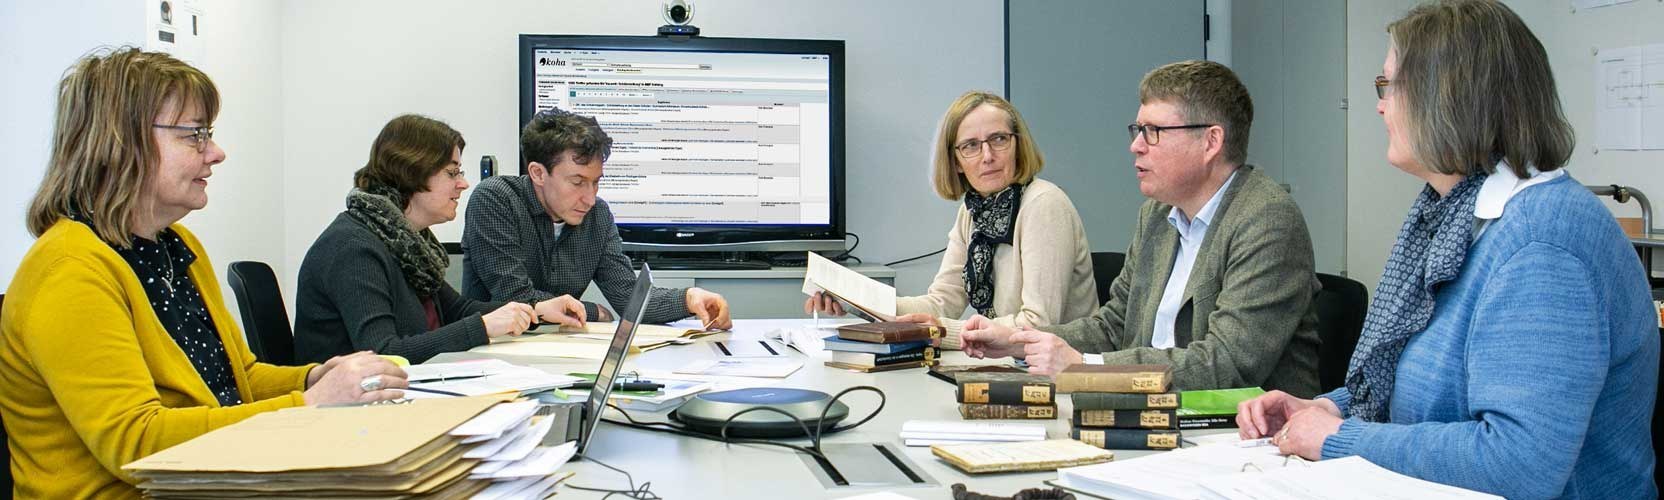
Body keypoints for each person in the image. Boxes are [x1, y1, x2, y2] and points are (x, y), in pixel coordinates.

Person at [1236, 1, 1658, 498]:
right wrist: (1330, 408)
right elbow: (1421, 386)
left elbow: (1518, 465)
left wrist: (1339, 439)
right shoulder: (1454, 216)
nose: (1379, 105)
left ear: (1450, 96)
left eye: (1389, 86)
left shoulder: (1542, 246)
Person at [0, 48, 408, 498]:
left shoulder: (176, 247)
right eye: (194, 135)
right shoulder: (69, 272)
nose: (216, 152)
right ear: (119, 142)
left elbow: (240, 380)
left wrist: (313, 378)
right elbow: (136, 444)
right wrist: (310, 405)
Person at [960, 60, 1322, 398]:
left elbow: (1225, 365)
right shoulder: (1157, 215)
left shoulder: (1267, 220)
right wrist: (1019, 341)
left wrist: (1086, 368)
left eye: (1154, 132)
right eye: (1138, 130)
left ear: (1211, 141)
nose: (1135, 146)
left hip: (1243, 441)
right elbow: (1114, 326)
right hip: (1156, 416)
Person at [804, 91, 1098, 348]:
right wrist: (857, 302)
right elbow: (941, 302)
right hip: (1007, 362)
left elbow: (1038, 324)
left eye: (998, 139)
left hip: (1056, 375)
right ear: (956, 161)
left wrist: (942, 332)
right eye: (971, 145)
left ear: (1018, 145)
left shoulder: (1044, 205)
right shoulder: (974, 210)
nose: (987, 156)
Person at [293, 115, 586, 364]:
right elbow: (384, 353)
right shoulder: (354, 247)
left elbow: (454, 310)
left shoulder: (405, 239)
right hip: (352, 414)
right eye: (452, 173)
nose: (463, 183)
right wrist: (483, 327)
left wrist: (536, 313)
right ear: (412, 172)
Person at [460, 108, 733, 329]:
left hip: (562, 349)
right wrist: (593, 311)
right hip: (496, 353)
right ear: (538, 173)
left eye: (595, 182)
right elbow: (515, 298)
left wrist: (689, 299)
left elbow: (628, 297)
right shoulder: (495, 200)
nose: (590, 198)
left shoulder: (597, 215)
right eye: (577, 182)